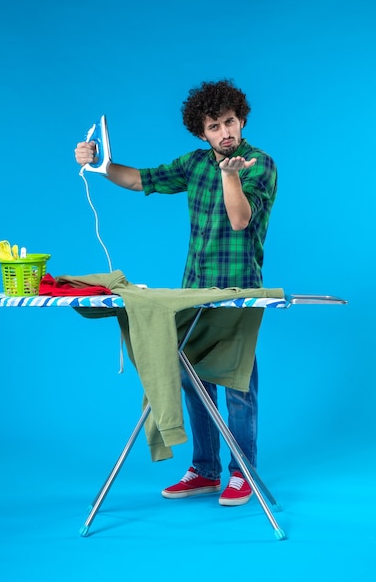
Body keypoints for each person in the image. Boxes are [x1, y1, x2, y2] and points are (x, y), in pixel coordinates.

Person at [74, 79, 277, 506]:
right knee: (193, 375)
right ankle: (205, 470)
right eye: (214, 126)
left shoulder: (258, 164)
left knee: (238, 382)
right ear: (201, 133)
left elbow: (240, 220)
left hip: (239, 290)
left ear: (242, 120)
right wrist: (100, 163)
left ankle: (245, 473)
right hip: (194, 291)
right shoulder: (194, 164)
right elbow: (138, 180)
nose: (225, 132)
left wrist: (231, 177)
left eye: (230, 122)